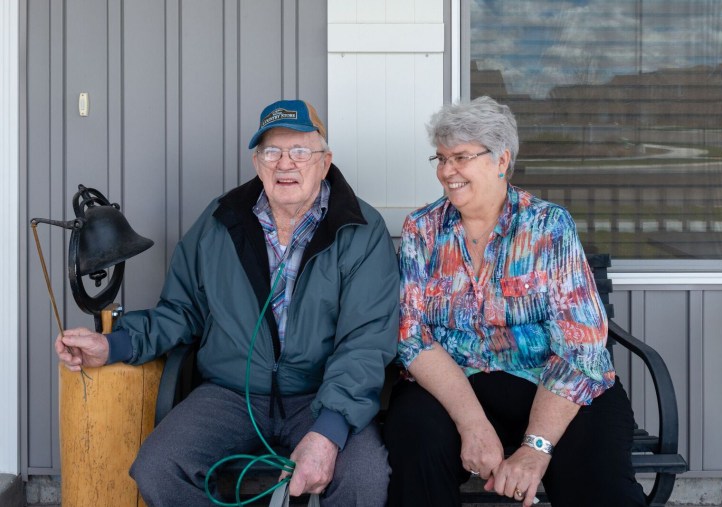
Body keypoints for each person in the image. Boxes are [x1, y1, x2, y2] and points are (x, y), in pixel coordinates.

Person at [56, 99, 399, 507]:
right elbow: (182, 310)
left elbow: (365, 341)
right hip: (230, 394)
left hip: (320, 394)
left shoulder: (361, 229)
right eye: (272, 152)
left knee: (365, 477)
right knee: (158, 466)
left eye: (300, 151)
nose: (285, 164)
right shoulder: (220, 221)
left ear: (325, 163)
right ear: (257, 162)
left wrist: (327, 431)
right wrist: (113, 345)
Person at [383, 96, 646, 507]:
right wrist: (472, 424)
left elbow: (580, 346)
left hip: (552, 385)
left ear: (501, 160)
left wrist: (535, 447)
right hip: (456, 385)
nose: (447, 171)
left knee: (601, 482)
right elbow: (412, 336)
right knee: (416, 440)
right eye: (441, 158)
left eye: (461, 157)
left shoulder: (548, 227)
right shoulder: (422, 229)